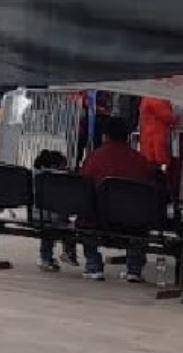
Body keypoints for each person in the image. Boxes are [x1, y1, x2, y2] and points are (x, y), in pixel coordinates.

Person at [78, 116, 162, 283]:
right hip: (134, 222)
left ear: (105, 136)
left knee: (84, 216)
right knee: (140, 219)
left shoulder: (95, 158)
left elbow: (84, 186)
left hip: (100, 220)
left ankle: (93, 265)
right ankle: (134, 269)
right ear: (127, 136)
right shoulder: (140, 160)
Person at [31, 147, 80, 272]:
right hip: (54, 217)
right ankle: (68, 253)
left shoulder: (34, 175)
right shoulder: (57, 179)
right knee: (66, 224)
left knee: (48, 223)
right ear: (55, 166)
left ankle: (46, 258)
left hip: (34, 216)